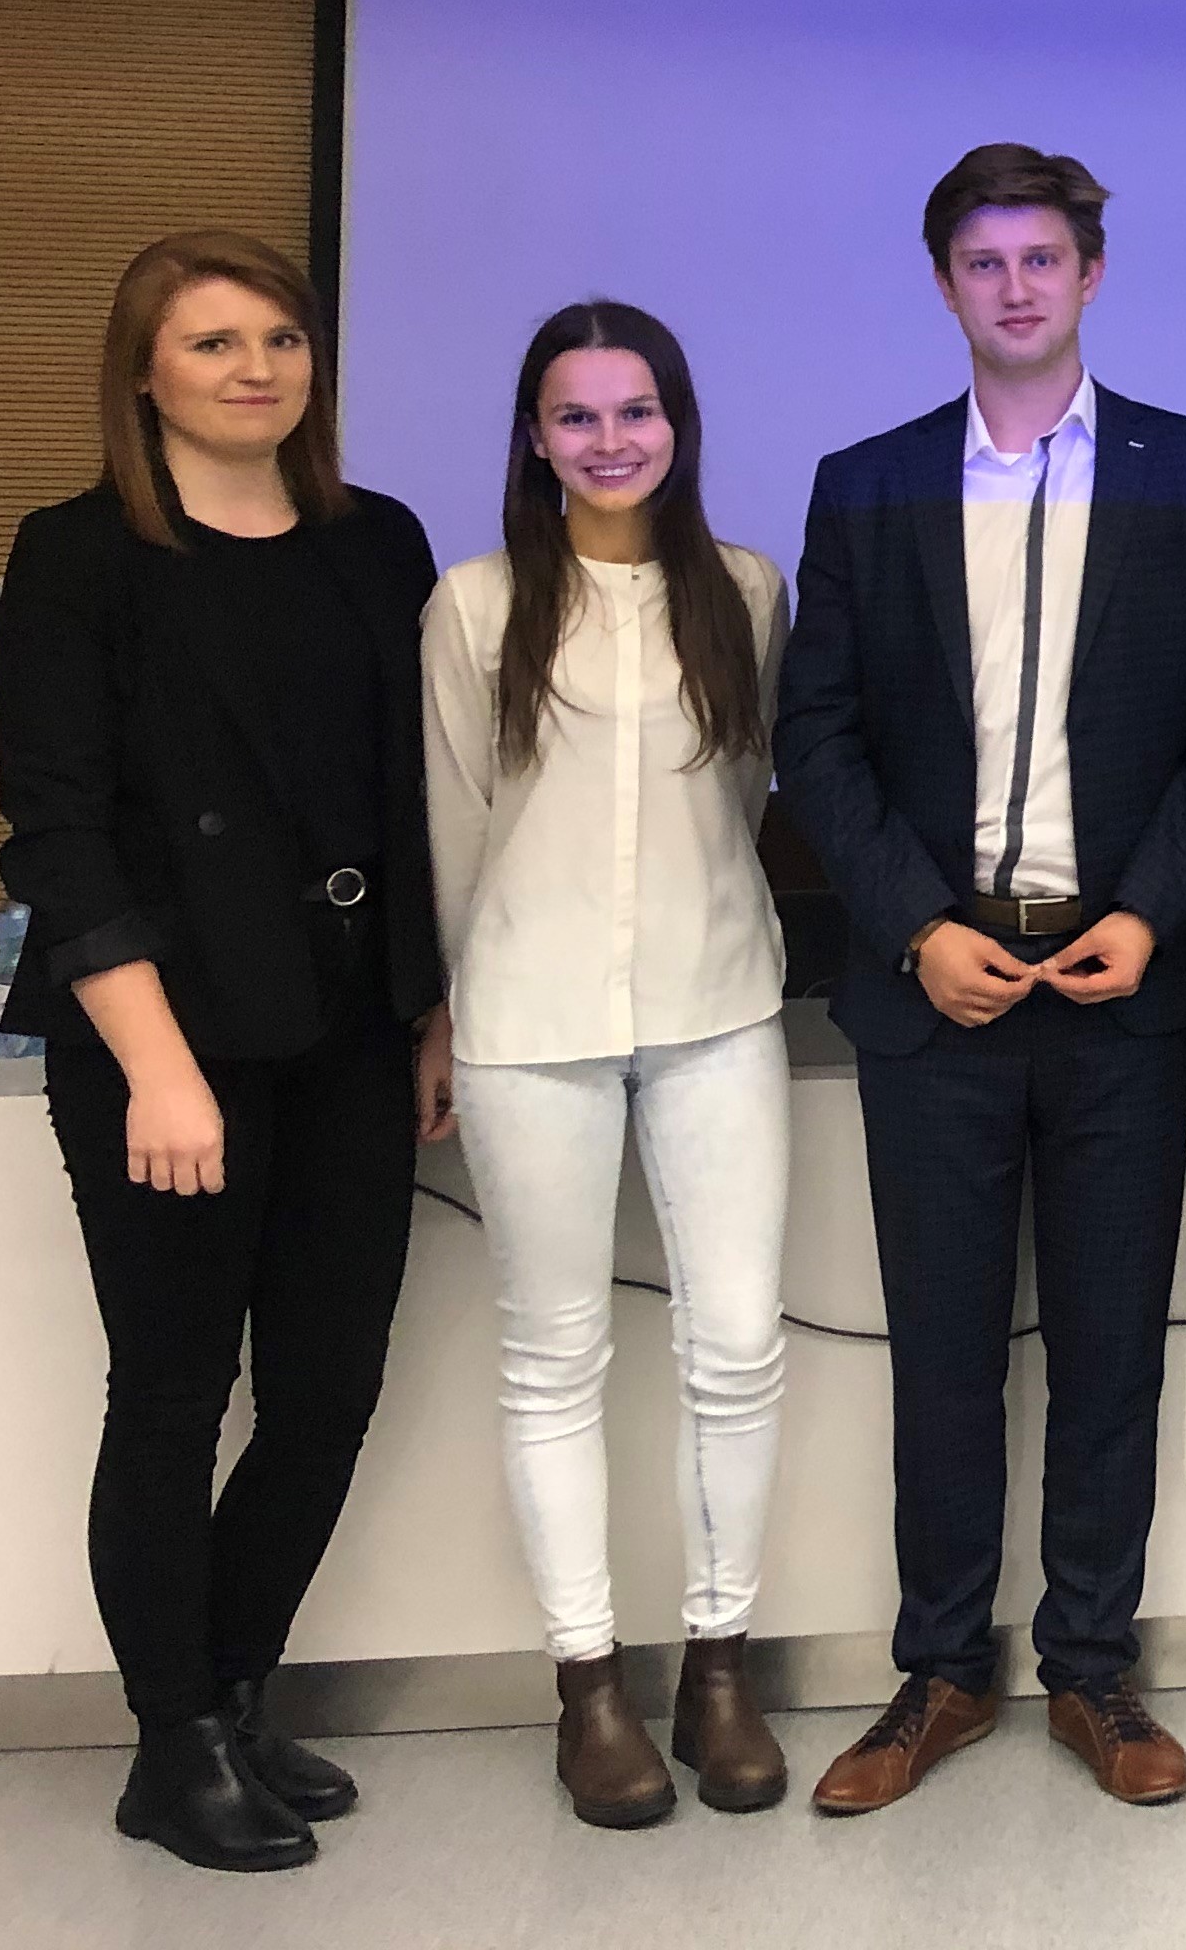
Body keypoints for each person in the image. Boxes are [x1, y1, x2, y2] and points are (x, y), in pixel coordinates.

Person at [772, 145, 1186, 1816]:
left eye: (1042, 258)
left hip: (1121, 980)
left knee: (1113, 1347)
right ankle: (940, 1671)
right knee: (944, 1355)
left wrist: (1151, 910)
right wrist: (917, 926)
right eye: (982, 262)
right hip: (936, 984)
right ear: (945, 285)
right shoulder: (868, 485)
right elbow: (818, 736)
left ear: (1090, 275)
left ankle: (1093, 1670)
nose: (1014, 286)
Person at [0, 230, 449, 1874]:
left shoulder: (378, 542)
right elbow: (56, 830)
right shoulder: (77, 555)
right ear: (144, 372)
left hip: (350, 1029)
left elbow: (419, 798)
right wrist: (159, 1066)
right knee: (175, 1394)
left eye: (281, 339)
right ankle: (168, 1742)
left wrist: (431, 1008)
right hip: (165, 1038)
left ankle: (236, 1694)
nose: (256, 369)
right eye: (212, 343)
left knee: (328, 1390)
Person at [421, 302, 793, 1828]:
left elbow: (747, 801)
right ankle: (588, 1687)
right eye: (576, 416)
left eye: (636, 411)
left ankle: (719, 1673)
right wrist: (448, 1013)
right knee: (554, 1356)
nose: (609, 439)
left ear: (678, 425)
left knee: (738, 1346)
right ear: (535, 436)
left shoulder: (746, 593)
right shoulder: (475, 603)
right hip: (529, 1017)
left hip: (720, 1006)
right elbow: (458, 824)